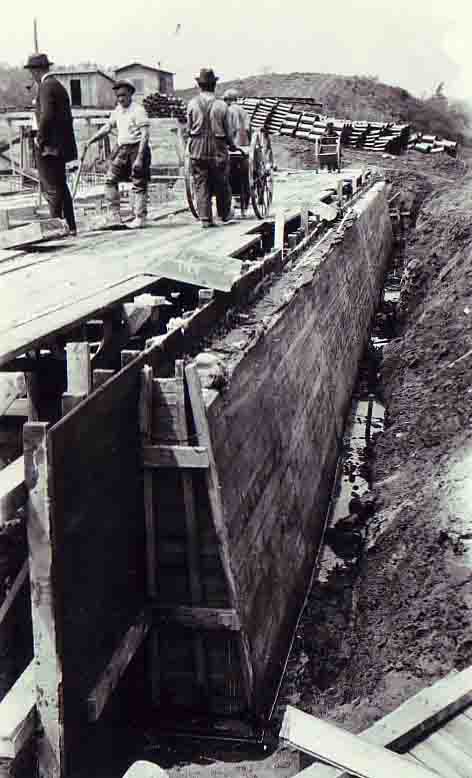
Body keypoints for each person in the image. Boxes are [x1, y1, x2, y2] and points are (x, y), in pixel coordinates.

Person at [24, 53, 78, 235]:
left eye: (32, 72)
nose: (32, 76)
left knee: (51, 189)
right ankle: (70, 226)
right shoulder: (57, 86)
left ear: (37, 71)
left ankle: (57, 229)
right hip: (60, 146)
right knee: (61, 186)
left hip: (49, 147)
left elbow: (46, 116)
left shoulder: (46, 87)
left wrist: (40, 139)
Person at [85, 80, 151, 229]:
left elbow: (145, 134)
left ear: (130, 94)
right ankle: (114, 215)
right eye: (118, 96)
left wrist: (140, 158)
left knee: (139, 183)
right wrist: (91, 140)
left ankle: (140, 217)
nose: (121, 99)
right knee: (110, 180)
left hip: (137, 148)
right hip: (123, 149)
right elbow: (108, 127)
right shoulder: (117, 110)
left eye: (123, 95)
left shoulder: (138, 110)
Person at [187, 68, 236, 228]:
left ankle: (206, 219)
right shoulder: (222, 106)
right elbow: (228, 132)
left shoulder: (192, 104)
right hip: (218, 148)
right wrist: (233, 145)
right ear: (214, 85)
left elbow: (189, 129)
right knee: (221, 182)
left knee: (201, 183)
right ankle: (223, 215)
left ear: (199, 86)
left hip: (197, 148)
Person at [223, 88, 251, 215]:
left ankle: (230, 201)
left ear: (228, 100)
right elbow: (248, 128)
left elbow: (229, 130)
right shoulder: (244, 111)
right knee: (245, 175)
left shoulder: (228, 111)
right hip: (244, 148)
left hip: (232, 146)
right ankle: (245, 202)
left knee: (229, 174)